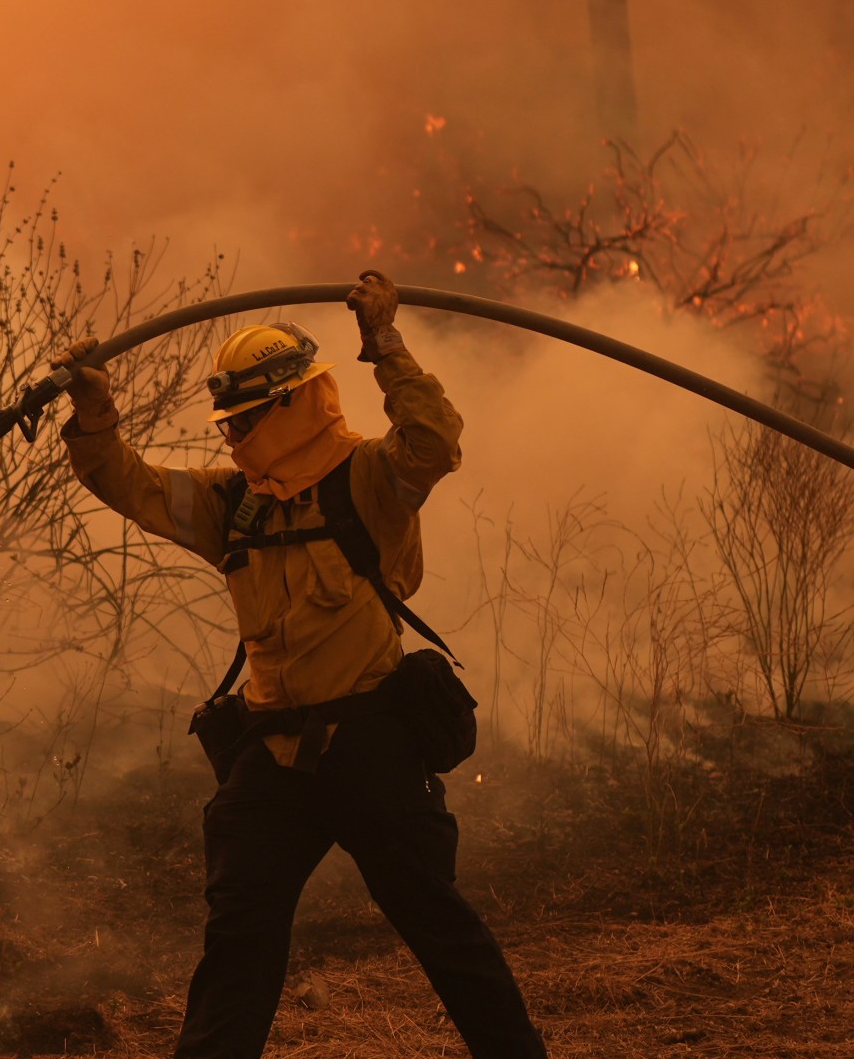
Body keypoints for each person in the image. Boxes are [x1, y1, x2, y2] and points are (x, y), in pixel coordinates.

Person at [56, 272, 544, 1058]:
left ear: (290, 403)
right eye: (227, 422)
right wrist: (93, 411)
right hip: (273, 756)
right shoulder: (233, 504)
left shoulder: (370, 479)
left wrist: (385, 344)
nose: (231, 436)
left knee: (438, 925)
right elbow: (130, 484)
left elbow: (435, 441)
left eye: (244, 418)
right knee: (238, 940)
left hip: (371, 744)